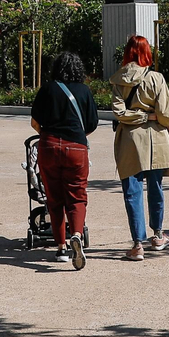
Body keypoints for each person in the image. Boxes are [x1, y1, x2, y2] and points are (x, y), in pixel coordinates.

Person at [111, 35, 169, 260]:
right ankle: (158, 235)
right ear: (146, 52)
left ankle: (137, 244)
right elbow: (167, 114)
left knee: (132, 191)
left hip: (130, 141)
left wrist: (136, 117)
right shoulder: (156, 78)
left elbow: (119, 113)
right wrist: (153, 116)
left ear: (128, 52)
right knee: (156, 188)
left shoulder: (118, 79)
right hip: (156, 140)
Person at [29, 51, 97, 270]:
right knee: (77, 195)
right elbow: (92, 123)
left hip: (48, 146)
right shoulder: (85, 91)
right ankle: (76, 234)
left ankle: (60, 248)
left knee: (54, 198)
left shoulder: (47, 89)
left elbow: (34, 122)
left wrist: (47, 134)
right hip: (76, 148)